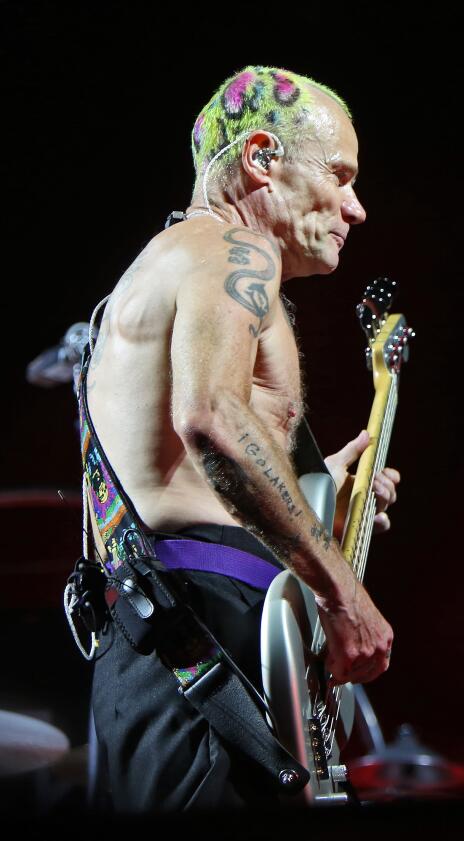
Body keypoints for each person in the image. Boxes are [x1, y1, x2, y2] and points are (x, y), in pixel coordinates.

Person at [83, 66, 398, 809]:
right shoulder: (232, 251)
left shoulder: (184, 262)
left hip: (187, 643)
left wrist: (322, 489)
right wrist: (343, 591)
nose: (356, 206)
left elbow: (204, 450)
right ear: (261, 158)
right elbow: (214, 420)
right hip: (196, 642)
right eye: (340, 174)